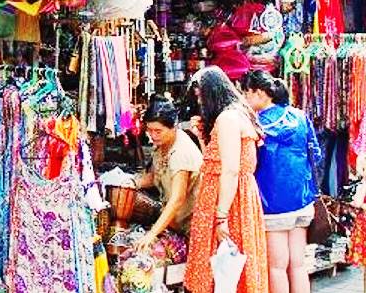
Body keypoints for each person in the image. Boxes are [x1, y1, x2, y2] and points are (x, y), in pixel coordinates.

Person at [183, 66, 269, 293]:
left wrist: (221, 217)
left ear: (211, 93)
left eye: (201, 95)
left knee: (223, 270)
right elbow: (216, 161)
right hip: (230, 197)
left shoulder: (228, 118)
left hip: (228, 202)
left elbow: (230, 170)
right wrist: (203, 137)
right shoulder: (237, 114)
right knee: (225, 269)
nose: (200, 101)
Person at [240, 70, 320, 293]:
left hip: (271, 204)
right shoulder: (301, 116)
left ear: (260, 94)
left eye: (246, 93)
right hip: (302, 200)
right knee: (298, 264)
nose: (244, 99)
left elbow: (247, 163)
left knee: (276, 267)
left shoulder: (254, 125)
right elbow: (316, 155)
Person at [133, 94, 203, 251]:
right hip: (175, 224)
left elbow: (177, 199)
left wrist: (151, 235)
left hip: (191, 229)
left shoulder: (180, 153)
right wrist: (132, 183)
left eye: (158, 131)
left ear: (173, 127)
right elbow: (157, 175)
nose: (153, 135)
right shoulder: (163, 143)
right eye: (149, 130)